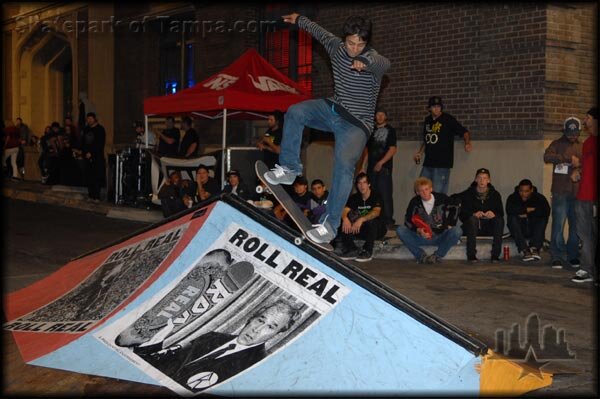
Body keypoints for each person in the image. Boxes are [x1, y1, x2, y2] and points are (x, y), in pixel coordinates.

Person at [263, 13, 390, 245]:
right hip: (333, 109)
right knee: (295, 111)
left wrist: (367, 62)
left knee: (344, 166)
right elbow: (318, 31)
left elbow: (385, 63)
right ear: (344, 40)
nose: (354, 49)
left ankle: (330, 226)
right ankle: (290, 167)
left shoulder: (372, 58)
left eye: (360, 44)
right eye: (351, 43)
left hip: (357, 125)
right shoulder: (336, 46)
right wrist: (300, 19)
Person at [140, 299, 301, 393]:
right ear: (252, 318)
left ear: (277, 334)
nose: (257, 329)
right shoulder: (213, 337)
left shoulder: (257, 367)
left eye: (271, 327)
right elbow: (164, 364)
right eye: (260, 320)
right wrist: (155, 341)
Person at [543, 116, 582, 269]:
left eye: (575, 133)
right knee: (558, 224)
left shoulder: (583, 146)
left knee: (575, 226)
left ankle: (573, 255)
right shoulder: (556, 144)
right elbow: (546, 156)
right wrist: (566, 158)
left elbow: (588, 163)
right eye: (569, 132)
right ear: (564, 131)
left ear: (579, 132)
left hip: (577, 192)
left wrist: (579, 166)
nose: (572, 135)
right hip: (560, 192)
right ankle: (557, 256)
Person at [413, 96, 472, 194]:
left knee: (437, 193)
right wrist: (420, 152)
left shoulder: (448, 119)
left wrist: (467, 143)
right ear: (429, 108)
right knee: (420, 190)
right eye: (434, 106)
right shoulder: (427, 120)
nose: (436, 108)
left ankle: (439, 209)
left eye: (438, 106)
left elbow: (464, 132)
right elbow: (426, 139)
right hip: (428, 162)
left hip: (442, 164)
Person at [396, 177, 462, 264]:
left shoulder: (441, 198)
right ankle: (421, 256)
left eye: (426, 189)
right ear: (417, 192)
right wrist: (418, 230)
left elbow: (456, 206)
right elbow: (408, 220)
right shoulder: (414, 202)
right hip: (420, 237)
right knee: (400, 230)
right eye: (421, 190)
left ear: (431, 189)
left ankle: (437, 256)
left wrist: (450, 223)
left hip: (440, 235)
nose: (424, 192)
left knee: (457, 231)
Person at [570, 107, 597, 284]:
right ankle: (586, 269)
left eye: (587, 117)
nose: (585, 121)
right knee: (584, 233)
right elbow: (586, 166)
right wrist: (578, 169)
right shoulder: (588, 142)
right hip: (583, 196)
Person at [335, 173, 387, 262]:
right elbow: (345, 210)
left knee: (372, 221)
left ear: (369, 184)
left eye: (364, 182)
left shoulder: (376, 196)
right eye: (359, 183)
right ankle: (351, 249)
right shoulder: (354, 197)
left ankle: (367, 251)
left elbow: (376, 212)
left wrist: (361, 219)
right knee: (343, 220)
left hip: (377, 230)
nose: (362, 186)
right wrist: (345, 218)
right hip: (360, 229)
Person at [458, 168, 504, 263]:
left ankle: (495, 255)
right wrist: (473, 214)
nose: (482, 181)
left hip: (488, 227)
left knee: (499, 220)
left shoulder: (495, 194)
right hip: (472, 227)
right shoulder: (468, 194)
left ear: (489, 180)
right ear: (475, 179)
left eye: (484, 178)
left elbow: (501, 213)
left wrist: (493, 214)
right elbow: (462, 215)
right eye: (479, 178)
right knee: (472, 219)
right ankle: (471, 255)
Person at [360, 108, 397, 228]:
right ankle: (375, 220)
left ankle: (388, 221)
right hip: (371, 168)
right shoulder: (371, 130)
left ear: (386, 117)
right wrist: (362, 167)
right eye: (378, 114)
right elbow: (367, 150)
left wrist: (381, 163)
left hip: (384, 169)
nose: (380, 117)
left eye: (382, 115)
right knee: (373, 194)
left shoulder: (390, 130)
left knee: (385, 194)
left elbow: (393, 149)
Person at [505, 179, 550, 262]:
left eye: (526, 191)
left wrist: (528, 215)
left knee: (542, 218)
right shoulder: (513, 198)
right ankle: (524, 250)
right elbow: (509, 210)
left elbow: (545, 211)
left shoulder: (539, 198)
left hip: (534, 230)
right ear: (518, 190)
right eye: (521, 191)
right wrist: (527, 209)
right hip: (520, 229)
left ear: (531, 190)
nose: (524, 194)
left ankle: (535, 248)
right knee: (512, 218)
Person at [80, 112, 106, 201]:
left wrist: (92, 153)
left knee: (96, 177)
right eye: (88, 119)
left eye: (90, 118)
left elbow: (100, 144)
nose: (89, 120)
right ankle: (90, 195)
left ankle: (96, 197)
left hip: (97, 158)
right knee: (89, 177)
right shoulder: (86, 129)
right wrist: (86, 153)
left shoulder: (100, 129)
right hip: (87, 157)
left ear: (95, 119)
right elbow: (83, 143)